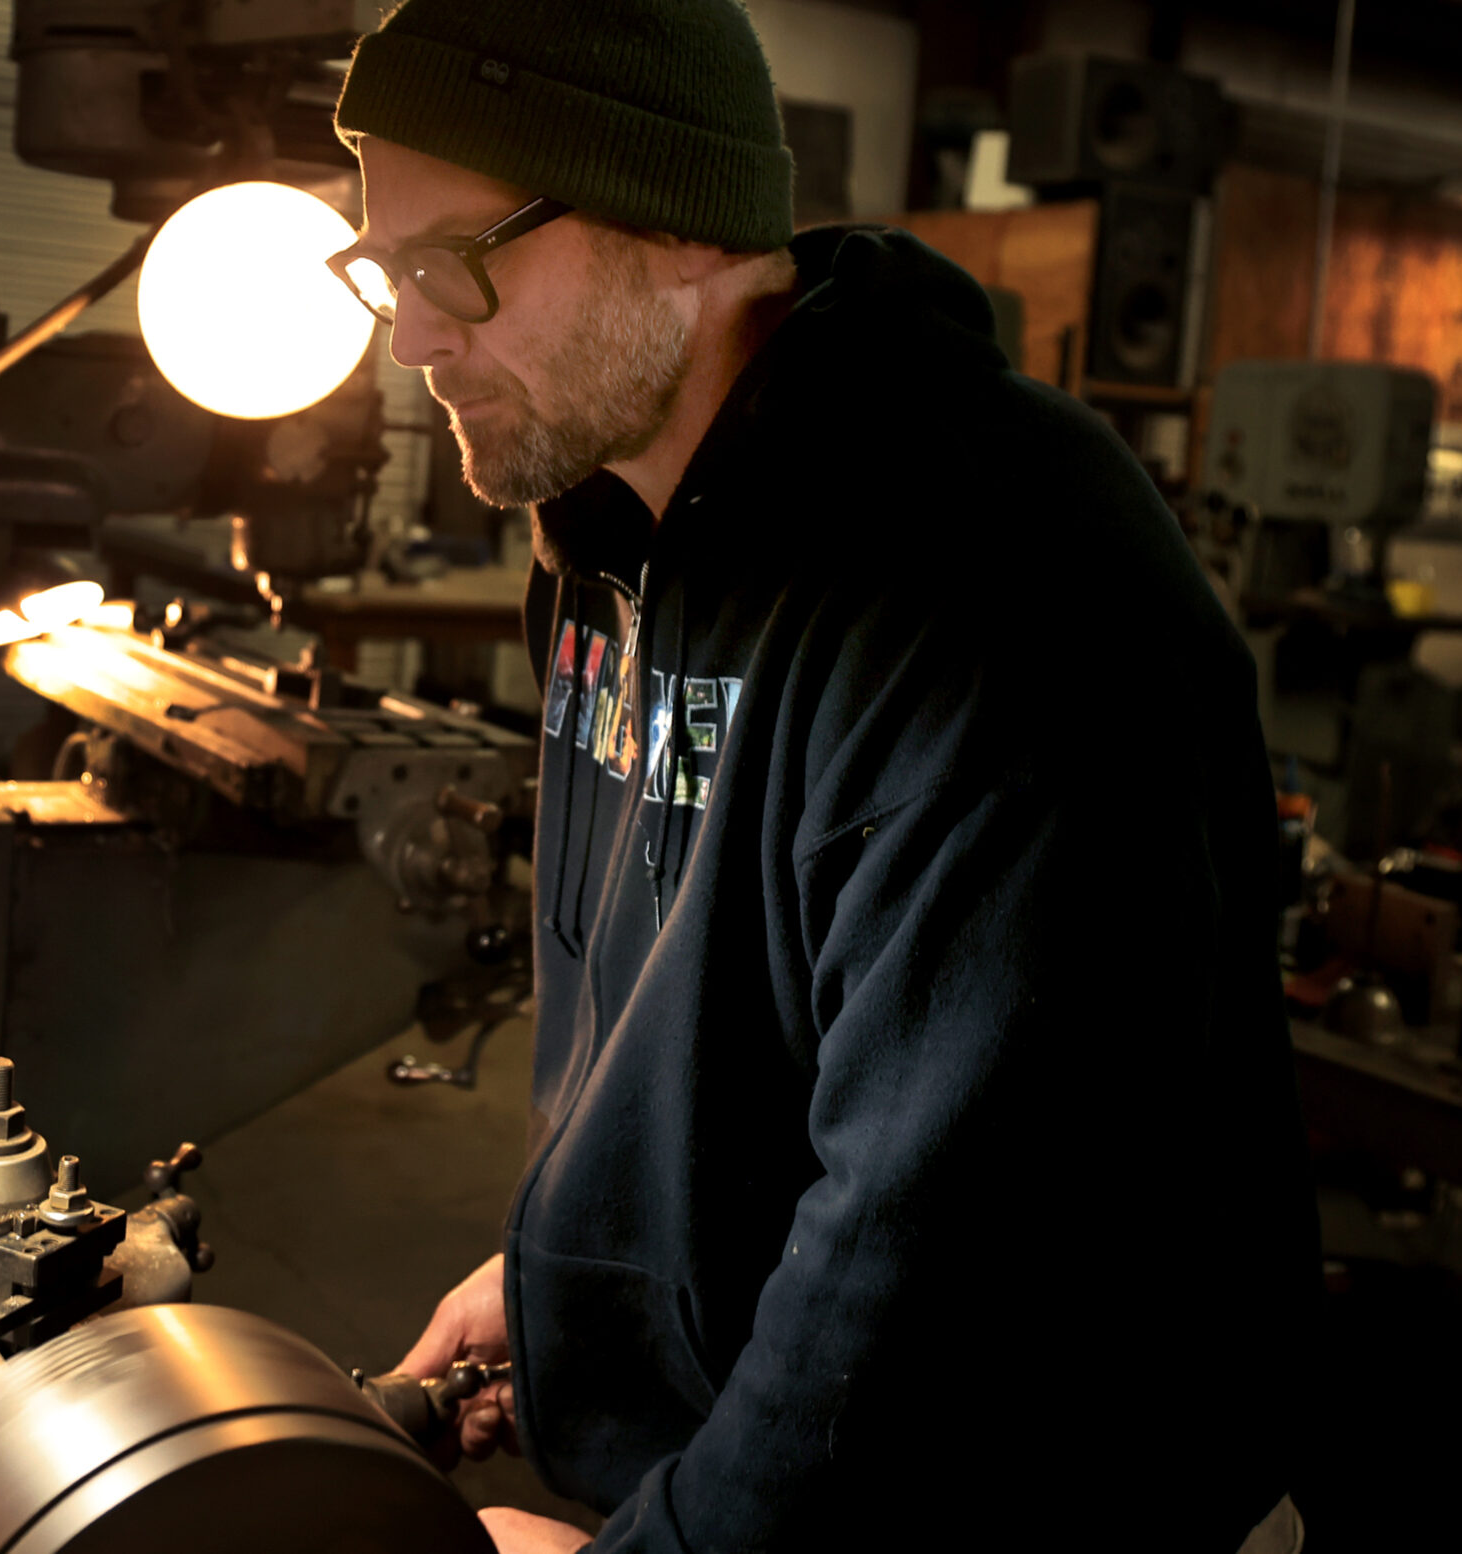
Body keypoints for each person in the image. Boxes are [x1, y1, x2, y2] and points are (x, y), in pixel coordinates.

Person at [329, 3, 1320, 1549]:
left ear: (671, 224)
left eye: (454, 262)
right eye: (385, 268)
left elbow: (943, 1289)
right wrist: (555, 1289)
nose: (411, 336)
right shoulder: (600, 540)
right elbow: (685, 1039)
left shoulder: (994, 585)